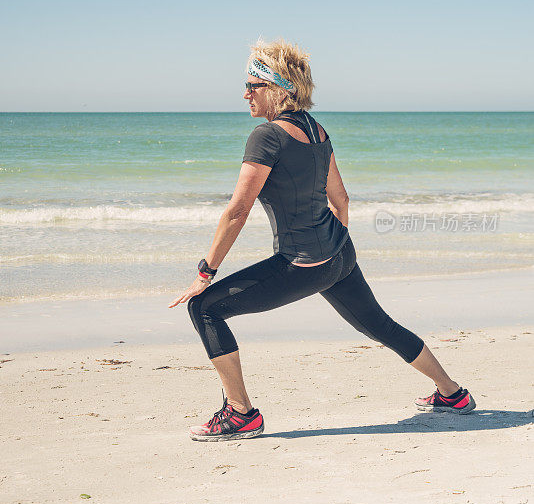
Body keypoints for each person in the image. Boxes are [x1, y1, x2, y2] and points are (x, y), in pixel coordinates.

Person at [168, 39, 476, 441]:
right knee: (378, 324)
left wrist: (205, 273)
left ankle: (241, 414)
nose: (245, 94)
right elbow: (341, 200)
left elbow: (237, 212)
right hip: (339, 254)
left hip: (303, 264)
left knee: (205, 308)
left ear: (277, 88)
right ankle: (453, 395)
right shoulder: (317, 129)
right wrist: (333, 247)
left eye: (252, 85)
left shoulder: (267, 137)